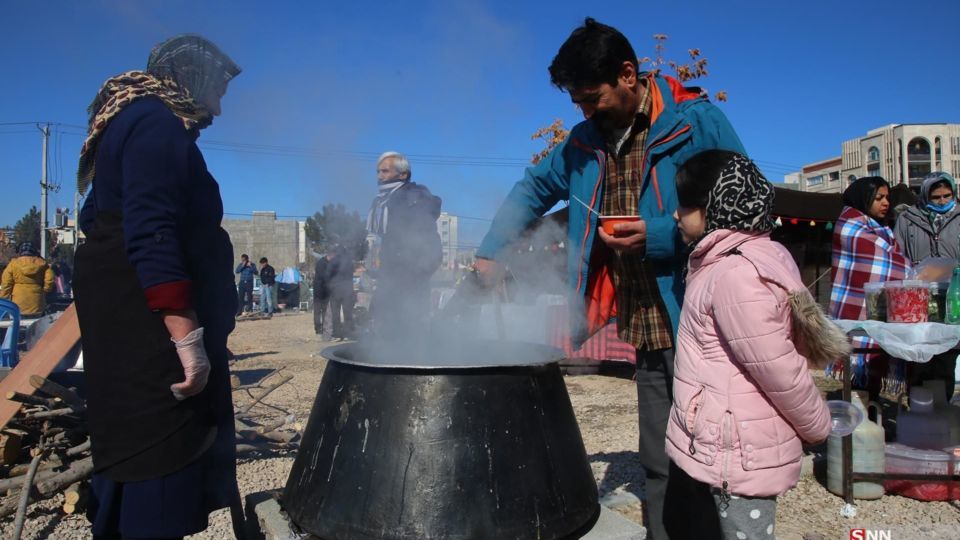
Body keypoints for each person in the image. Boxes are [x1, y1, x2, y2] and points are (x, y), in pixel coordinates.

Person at [473, 18, 744, 539]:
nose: (584, 111)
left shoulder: (697, 121)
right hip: (645, 321)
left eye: (591, 97)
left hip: (701, 315)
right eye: (576, 101)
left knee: (715, 456)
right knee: (661, 457)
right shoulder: (580, 143)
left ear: (627, 74)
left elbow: (745, 205)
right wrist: (492, 250)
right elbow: (532, 190)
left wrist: (660, 235)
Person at [72, 34, 242, 538]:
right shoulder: (155, 123)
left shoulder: (130, 124)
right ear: (193, 78)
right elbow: (150, 230)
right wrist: (187, 340)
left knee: (132, 440)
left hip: (129, 322)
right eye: (219, 88)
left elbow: (94, 218)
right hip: (151, 337)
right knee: (159, 447)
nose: (221, 102)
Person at [663, 150, 834, 539]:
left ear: (716, 207)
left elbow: (779, 371)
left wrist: (819, 427)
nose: (676, 215)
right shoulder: (729, 260)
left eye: (686, 205)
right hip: (726, 446)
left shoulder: (735, 274)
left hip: (739, 458)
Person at [829, 176, 910, 396]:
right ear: (863, 199)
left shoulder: (883, 229)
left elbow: (891, 260)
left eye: (887, 198)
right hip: (856, 309)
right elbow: (889, 263)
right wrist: (910, 270)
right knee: (856, 379)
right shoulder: (849, 225)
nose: (886, 203)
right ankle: (859, 415)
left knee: (875, 372)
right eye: (878, 198)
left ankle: (872, 412)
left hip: (880, 310)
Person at [894, 171, 960, 401]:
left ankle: (942, 407)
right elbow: (898, 255)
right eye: (936, 197)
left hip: (953, 294)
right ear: (925, 196)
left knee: (947, 353)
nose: (943, 201)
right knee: (920, 355)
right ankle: (919, 407)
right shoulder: (908, 219)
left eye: (947, 195)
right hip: (918, 297)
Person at [367, 151, 442, 340]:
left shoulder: (414, 198)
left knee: (409, 334)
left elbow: (430, 245)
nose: (379, 176)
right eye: (378, 171)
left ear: (403, 174)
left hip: (409, 283)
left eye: (384, 171)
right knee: (384, 334)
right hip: (389, 280)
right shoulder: (384, 202)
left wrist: (414, 277)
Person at [0, 242, 55, 317]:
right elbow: (50, 279)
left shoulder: (13, 264)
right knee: (35, 326)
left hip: (18, 301)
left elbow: (6, 283)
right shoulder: (43, 264)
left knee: (17, 325)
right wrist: (45, 290)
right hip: (37, 301)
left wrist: (4, 297)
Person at [329, 245, 356, 341]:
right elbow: (351, 274)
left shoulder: (333, 261)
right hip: (347, 290)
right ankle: (349, 334)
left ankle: (337, 334)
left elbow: (328, 275)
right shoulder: (350, 262)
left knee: (335, 313)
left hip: (335, 290)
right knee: (348, 312)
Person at [313, 251, 333, 337]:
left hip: (326, 291)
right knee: (318, 311)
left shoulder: (328, 263)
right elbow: (323, 277)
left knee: (325, 311)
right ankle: (318, 328)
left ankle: (325, 328)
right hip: (319, 291)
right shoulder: (321, 263)